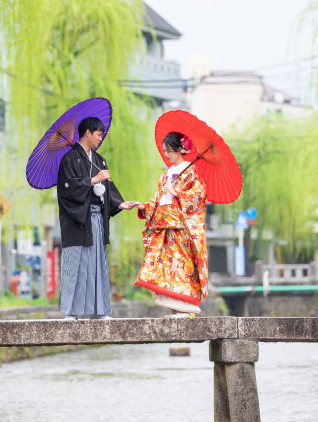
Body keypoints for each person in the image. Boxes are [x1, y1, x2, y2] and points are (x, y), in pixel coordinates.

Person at [57, 117, 139, 320]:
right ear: (87, 133)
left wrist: (120, 203)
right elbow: (67, 190)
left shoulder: (99, 159)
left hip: (96, 220)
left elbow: (107, 189)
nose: (100, 138)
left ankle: (99, 311)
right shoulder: (69, 159)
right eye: (98, 134)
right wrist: (93, 179)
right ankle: (71, 312)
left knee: (97, 265)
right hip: (77, 221)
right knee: (75, 265)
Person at [135, 131, 208, 317]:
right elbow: (159, 199)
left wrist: (178, 194)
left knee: (181, 264)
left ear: (180, 149)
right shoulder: (166, 173)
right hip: (164, 225)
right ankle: (175, 306)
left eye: (169, 150)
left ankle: (187, 306)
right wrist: (144, 206)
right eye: (165, 150)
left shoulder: (190, 171)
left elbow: (200, 195)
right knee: (165, 264)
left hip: (180, 227)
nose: (166, 154)